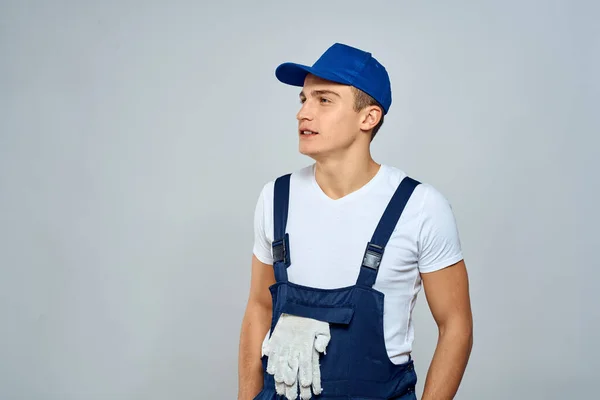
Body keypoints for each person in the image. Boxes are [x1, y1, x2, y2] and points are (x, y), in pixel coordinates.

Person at [237, 42, 473, 400]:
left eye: (324, 100)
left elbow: (456, 325)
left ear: (368, 117)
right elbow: (259, 306)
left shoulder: (419, 206)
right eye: (303, 100)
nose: (304, 114)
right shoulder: (275, 198)